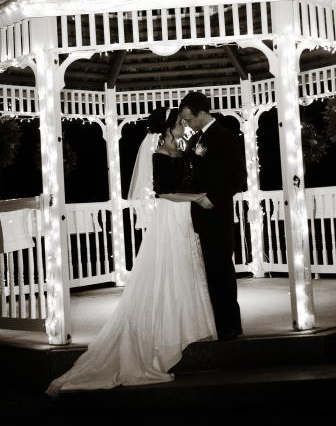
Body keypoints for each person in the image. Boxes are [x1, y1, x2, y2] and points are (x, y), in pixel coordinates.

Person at [46, 107, 216, 397]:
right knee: (169, 265)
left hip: (182, 216)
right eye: (178, 123)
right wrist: (198, 198)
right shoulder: (159, 154)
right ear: (167, 129)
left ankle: (187, 321)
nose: (182, 126)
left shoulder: (180, 148)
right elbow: (164, 193)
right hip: (170, 214)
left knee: (184, 267)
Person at [178, 91, 247, 340]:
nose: (188, 123)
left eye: (190, 118)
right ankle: (215, 322)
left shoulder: (225, 136)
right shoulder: (197, 138)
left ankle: (230, 324)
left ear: (202, 113)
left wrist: (214, 198)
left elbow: (239, 177)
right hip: (199, 215)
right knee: (209, 271)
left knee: (221, 270)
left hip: (217, 215)